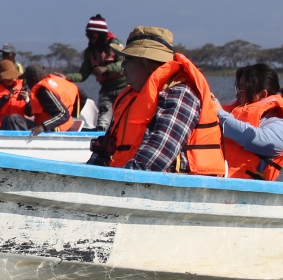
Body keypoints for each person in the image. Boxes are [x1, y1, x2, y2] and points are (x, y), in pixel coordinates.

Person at [87, 26, 224, 175]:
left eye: (128, 59)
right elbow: (106, 149)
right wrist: (88, 175)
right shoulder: (128, 97)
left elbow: (160, 151)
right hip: (128, 181)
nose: (122, 65)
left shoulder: (181, 94)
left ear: (147, 63)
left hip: (174, 186)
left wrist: (119, 180)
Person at [217, 63, 283, 180]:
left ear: (262, 94)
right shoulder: (232, 116)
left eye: (242, 89)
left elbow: (250, 137)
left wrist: (220, 114)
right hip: (220, 180)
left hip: (248, 189)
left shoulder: (280, 126)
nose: (237, 94)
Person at [64, 14, 127, 130]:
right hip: (106, 90)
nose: (90, 38)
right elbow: (83, 74)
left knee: (124, 118)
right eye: (87, 35)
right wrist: (65, 77)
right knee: (103, 120)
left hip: (124, 88)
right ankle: (101, 139)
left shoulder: (116, 45)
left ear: (100, 34)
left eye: (92, 35)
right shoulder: (90, 52)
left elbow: (123, 65)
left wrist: (107, 68)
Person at [0, 63, 80, 134]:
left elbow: (63, 114)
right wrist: (27, 99)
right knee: (8, 118)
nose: (26, 83)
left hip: (53, 130)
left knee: (13, 119)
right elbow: (30, 113)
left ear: (34, 78)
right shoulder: (50, 84)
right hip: (54, 127)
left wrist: (42, 126)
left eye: (27, 79)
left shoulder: (43, 91)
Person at [0, 59, 28, 129]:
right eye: (7, 77)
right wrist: (6, 98)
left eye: (12, 77)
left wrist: (27, 100)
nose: (11, 79)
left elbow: (29, 113)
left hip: (17, 127)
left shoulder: (22, 89)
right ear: (1, 78)